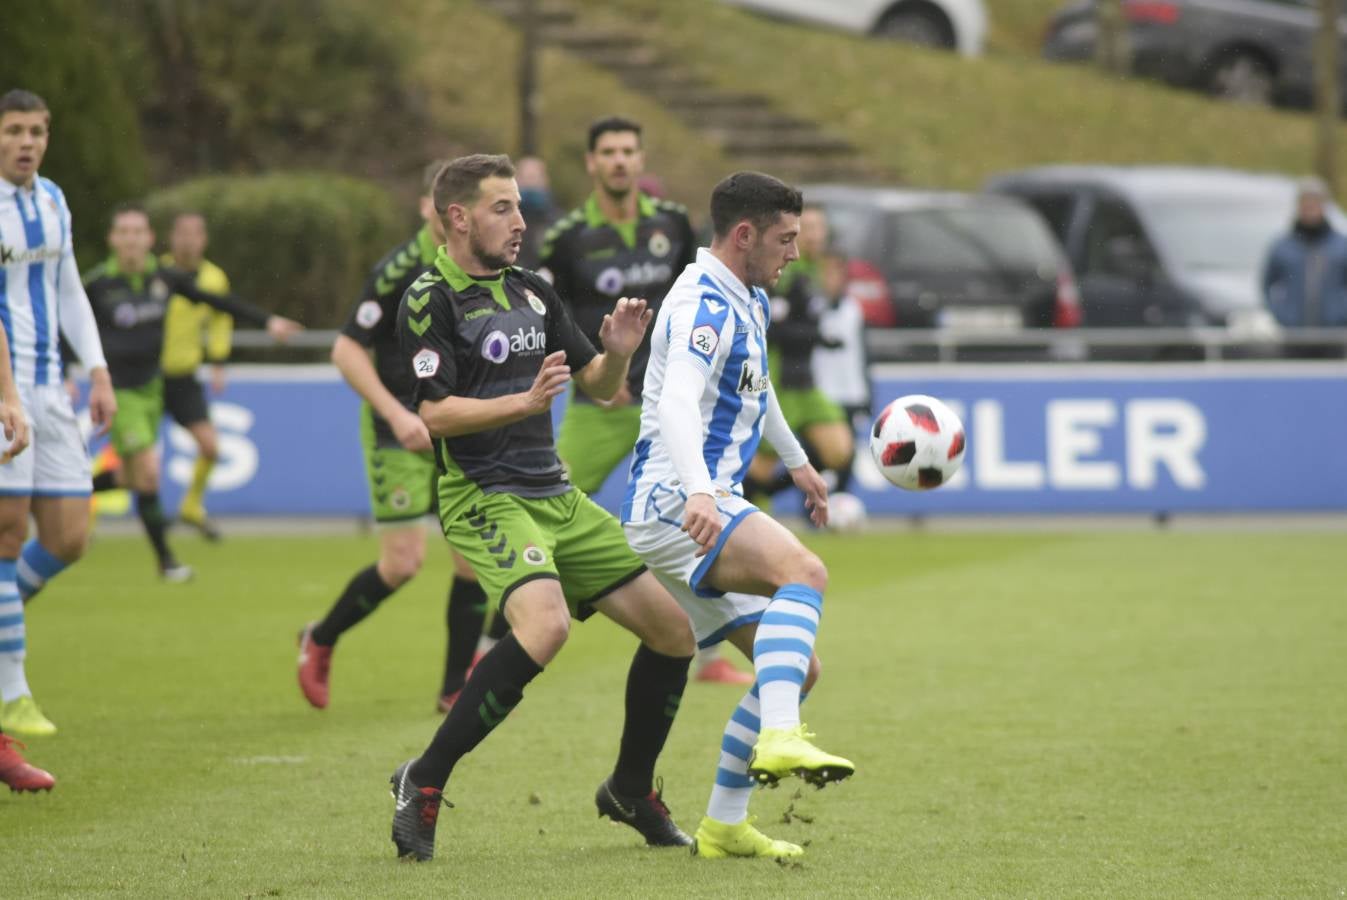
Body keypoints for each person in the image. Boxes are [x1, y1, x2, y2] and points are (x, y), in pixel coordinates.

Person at [387, 153, 696, 862]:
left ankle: (628, 788)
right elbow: (434, 415)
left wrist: (617, 353)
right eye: (503, 208)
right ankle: (424, 780)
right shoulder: (428, 297)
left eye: (521, 206)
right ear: (458, 216)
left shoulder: (531, 289)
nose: (521, 222)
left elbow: (594, 381)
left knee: (673, 632)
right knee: (546, 625)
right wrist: (519, 403)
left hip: (554, 493)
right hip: (484, 496)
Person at [622, 171, 855, 860]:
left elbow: (759, 388)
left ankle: (724, 824)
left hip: (691, 498)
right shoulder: (700, 303)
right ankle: (780, 734)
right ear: (744, 235)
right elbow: (670, 404)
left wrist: (796, 462)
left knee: (797, 668)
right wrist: (697, 488)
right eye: (785, 240)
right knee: (803, 571)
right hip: (676, 500)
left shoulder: (743, 294)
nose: (795, 252)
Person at [540, 116, 750, 686]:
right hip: (598, 405)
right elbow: (546, 315)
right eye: (607, 151)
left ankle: (709, 656)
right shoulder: (564, 239)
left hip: (672, 407)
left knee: (704, 518)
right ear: (591, 163)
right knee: (543, 509)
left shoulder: (674, 224)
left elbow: (703, 292)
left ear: (640, 159)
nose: (619, 161)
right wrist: (599, 371)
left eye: (628, 151)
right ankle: (496, 641)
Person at [297, 160, 494, 713]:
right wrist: (398, 412)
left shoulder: (482, 266)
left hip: (455, 429)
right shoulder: (400, 268)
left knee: (470, 558)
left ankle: (453, 689)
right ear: (429, 207)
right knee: (403, 562)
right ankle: (322, 637)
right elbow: (346, 348)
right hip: (397, 430)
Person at [82, 203, 300, 580]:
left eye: (138, 232)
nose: (132, 240)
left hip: (156, 386)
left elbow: (218, 303)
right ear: (113, 239)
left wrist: (268, 321)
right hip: (120, 391)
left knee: (135, 477)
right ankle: (167, 562)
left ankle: (70, 490)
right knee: (148, 473)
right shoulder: (97, 284)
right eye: (124, 232)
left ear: (149, 239)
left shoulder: (164, 278)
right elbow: (66, 322)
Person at [0, 89, 116, 739]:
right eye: (14, 130)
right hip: (2, 387)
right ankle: (12, 690)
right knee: (7, 534)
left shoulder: (53, 199)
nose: (27, 142)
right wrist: (7, 396)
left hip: (52, 388)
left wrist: (96, 368)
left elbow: (68, 286)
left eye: (37, 131)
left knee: (70, 535)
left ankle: (2, 626)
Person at [746, 204, 854, 503]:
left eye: (820, 228)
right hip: (780, 381)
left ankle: (781, 489)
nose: (815, 235)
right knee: (761, 468)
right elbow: (770, 329)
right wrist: (816, 337)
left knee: (839, 449)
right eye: (809, 228)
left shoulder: (817, 271)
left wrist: (819, 337)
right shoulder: (784, 272)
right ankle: (747, 505)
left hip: (806, 382)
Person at [160, 211, 232, 540]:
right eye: (182, 233)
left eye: (195, 233)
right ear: (171, 237)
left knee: (210, 447)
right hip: (146, 377)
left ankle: (191, 506)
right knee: (127, 460)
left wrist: (218, 361)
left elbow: (221, 320)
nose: (188, 240)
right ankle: (84, 515)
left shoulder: (214, 278)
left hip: (184, 377)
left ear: (204, 239)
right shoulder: (155, 271)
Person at [811, 248, 870, 496]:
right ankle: (814, 509)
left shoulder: (854, 309)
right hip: (820, 394)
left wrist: (867, 396)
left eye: (836, 272)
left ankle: (841, 503)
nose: (830, 278)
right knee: (816, 455)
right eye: (826, 272)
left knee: (846, 456)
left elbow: (864, 355)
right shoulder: (811, 307)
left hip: (850, 393)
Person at [1262, 177, 1347, 331]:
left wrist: (1341, 313)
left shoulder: (1342, 247)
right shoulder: (1282, 247)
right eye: (1306, 203)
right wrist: (1280, 315)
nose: (1310, 208)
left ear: (1324, 206)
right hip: (1293, 334)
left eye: (1315, 203)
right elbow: (1266, 285)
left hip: (1334, 334)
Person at [513, 155, 562, 270]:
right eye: (525, 178)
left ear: (545, 180)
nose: (530, 183)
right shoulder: (504, 222)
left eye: (534, 177)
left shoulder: (559, 223)